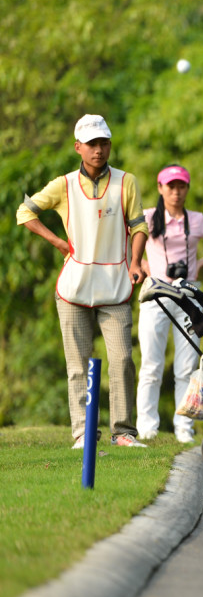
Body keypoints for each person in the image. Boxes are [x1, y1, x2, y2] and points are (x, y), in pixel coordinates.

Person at [17, 114, 148, 448]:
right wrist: (58, 242)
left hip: (115, 287)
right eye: (91, 144)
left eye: (103, 143)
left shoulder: (126, 182)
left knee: (122, 360)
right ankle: (82, 432)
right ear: (78, 147)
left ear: (110, 145)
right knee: (77, 365)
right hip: (74, 289)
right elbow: (25, 212)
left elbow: (139, 226)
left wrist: (135, 261)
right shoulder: (64, 185)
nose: (98, 150)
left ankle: (123, 433)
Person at [136, 164, 203, 443]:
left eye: (181, 186)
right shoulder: (148, 217)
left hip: (189, 296)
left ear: (187, 188)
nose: (176, 192)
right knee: (151, 365)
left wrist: (199, 263)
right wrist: (142, 264)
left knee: (188, 366)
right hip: (156, 294)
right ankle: (147, 427)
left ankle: (183, 429)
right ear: (160, 188)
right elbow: (122, 242)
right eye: (171, 186)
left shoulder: (197, 220)